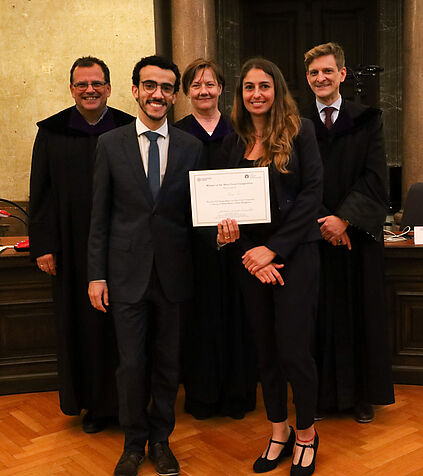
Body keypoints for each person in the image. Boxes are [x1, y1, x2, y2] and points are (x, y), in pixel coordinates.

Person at [87, 55, 203, 476]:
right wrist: (96, 275)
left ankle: (161, 441)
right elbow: (99, 217)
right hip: (125, 276)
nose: (158, 94)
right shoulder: (110, 144)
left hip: (175, 275)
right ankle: (133, 443)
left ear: (175, 95)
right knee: (132, 364)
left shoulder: (192, 146)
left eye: (166, 87)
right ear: (134, 90)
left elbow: (198, 214)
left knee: (168, 365)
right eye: (150, 86)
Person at [217, 58, 322, 475]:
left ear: (276, 89)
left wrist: (273, 250)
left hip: (296, 258)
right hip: (251, 264)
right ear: (240, 94)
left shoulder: (301, 132)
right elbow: (225, 207)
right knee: (266, 351)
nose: (256, 93)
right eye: (248, 87)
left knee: (295, 352)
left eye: (264, 86)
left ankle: (307, 434)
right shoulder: (232, 140)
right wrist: (249, 252)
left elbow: (313, 194)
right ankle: (278, 431)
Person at [28, 56, 134, 433]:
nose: (90, 90)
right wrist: (43, 246)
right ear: (71, 88)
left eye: (97, 83)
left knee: (121, 328)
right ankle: (93, 406)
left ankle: (128, 405)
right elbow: (39, 194)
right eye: (81, 84)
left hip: (122, 246)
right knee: (83, 326)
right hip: (71, 249)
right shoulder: (53, 131)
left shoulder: (128, 127)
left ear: (109, 86)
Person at [302, 42, 394, 423]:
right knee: (316, 317)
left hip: (356, 239)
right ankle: (321, 398)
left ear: (341, 74)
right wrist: (325, 221)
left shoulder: (367, 119)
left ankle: (360, 396)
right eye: (313, 73)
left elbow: (375, 177)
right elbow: (294, 181)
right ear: (307, 80)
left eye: (327, 71)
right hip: (314, 237)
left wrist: (344, 220)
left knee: (360, 315)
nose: (320, 78)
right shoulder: (298, 122)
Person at [174, 58, 256, 420]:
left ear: (222, 88)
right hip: (193, 248)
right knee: (199, 318)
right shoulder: (176, 136)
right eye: (196, 85)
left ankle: (239, 395)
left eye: (210, 84)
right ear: (186, 92)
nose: (204, 91)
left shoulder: (243, 132)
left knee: (239, 317)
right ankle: (203, 396)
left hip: (240, 242)